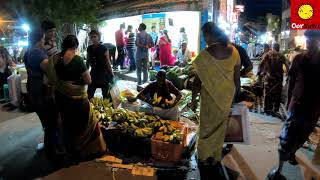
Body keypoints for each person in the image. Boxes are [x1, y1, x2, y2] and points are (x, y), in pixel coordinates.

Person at [268, 30, 320, 180]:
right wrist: (289, 101)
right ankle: (278, 169)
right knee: (286, 137)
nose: (310, 43)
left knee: (303, 134)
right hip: (297, 104)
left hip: (314, 107)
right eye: (308, 40)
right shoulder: (299, 59)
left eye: (313, 40)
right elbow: (291, 81)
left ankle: (292, 152)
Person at [191, 22, 240, 179]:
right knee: (219, 130)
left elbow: (197, 82)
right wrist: (234, 99)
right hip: (226, 98)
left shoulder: (204, 55)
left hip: (210, 100)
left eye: (205, 35)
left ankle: (204, 158)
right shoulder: (234, 52)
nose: (205, 39)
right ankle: (214, 157)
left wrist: (193, 100)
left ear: (209, 35)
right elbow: (237, 80)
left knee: (206, 129)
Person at [45, 35, 106, 160]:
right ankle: (86, 150)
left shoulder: (54, 59)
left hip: (61, 98)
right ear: (76, 46)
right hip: (77, 100)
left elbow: (50, 79)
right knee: (85, 123)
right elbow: (88, 81)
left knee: (67, 124)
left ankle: (70, 150)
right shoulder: (77, 60)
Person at [24, 30, 57, 156]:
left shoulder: (28, 51)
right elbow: (49, 69)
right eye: (43, 39)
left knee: (45, 119)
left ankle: (49, 146)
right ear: (39, 40)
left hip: (33, 87)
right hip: (40, 90)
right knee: (50, 119)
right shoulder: (36, 52)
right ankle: (52, 150)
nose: (44, 42)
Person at [258, 43, 288, 116]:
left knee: (268, 93)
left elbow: (261, 64)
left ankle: (267, 108)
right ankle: (275, 109)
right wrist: (288, 73)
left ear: (272, 47)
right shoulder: (281, 55)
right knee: (277, 94)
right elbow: (287, 64)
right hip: (278, 78)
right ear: (278, 48)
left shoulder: (268, 54)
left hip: (268, 77)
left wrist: (260, 74)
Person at [86, 30, 114, 100]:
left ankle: (107, 110)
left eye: (95, 37)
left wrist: (111, 73)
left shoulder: (104, 48)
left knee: (106, 96)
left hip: (103, 74)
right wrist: (86, 73)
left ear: (99, 37)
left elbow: (108, 62)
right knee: (89, 94)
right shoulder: (89, 48)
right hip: (93, 74)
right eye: (91, 37)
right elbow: (88, 61)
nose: (93, 39)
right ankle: (89, 108)